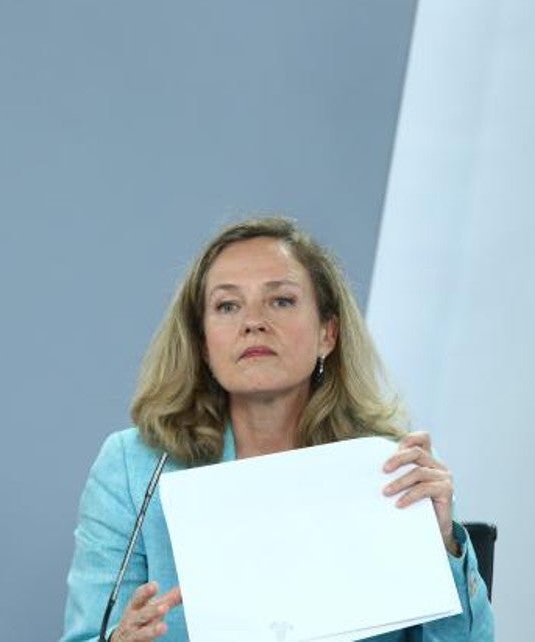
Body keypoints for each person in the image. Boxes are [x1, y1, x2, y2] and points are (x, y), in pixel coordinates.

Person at [61, 216, 495, 642]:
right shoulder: (134, 468)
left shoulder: (394, 467)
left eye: (281, 301)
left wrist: (443, 547)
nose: (253, 322)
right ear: (203, 344)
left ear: (328, 333)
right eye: (227, 306)